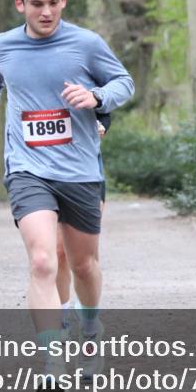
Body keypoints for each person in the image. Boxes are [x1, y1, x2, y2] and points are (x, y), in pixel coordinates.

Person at [0, 0, 134, 392]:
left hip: (80, 169)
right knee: (44, 260)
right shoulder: (3, 46)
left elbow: (124, 82)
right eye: (37, 4)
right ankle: (51, 361)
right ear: (20, 4)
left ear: (64, 0)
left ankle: (91, 327)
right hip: (27, 169)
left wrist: (97, 95)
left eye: (54, 3)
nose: (46, 12)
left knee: (82, 264)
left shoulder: (86, 44)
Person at [56, 114, 109, 336]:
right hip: (42, 169)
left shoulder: (86, 79)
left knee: (84, 261)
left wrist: (101, 125)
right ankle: (62, 316)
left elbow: (106, 100)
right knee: (58, 252)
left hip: (86, 170)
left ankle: (89, 319)